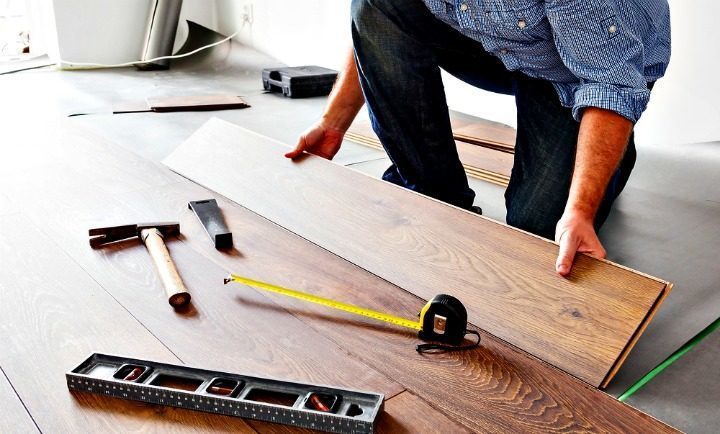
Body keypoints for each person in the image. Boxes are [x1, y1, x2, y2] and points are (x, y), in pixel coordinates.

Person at [285, 0, 670, 276]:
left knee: (537, 233)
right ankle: (436, 196)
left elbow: (611, 83)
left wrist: (580, 209)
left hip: (583, 72)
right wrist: (332, 123)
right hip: (504, 38)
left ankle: (612, 150)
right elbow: (375, 18)